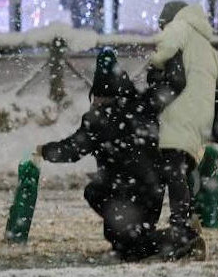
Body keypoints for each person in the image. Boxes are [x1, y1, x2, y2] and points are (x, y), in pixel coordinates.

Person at [36, 48, 163, 261]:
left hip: (123, 197)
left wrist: (45, 150)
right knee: (130, 236)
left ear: (100, 94)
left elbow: (73, 149)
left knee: (95, 192)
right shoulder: (142, 109)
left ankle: (158, 240)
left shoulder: (100, 120)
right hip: (152, 194)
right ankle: (141, 236)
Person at [147, 1, 218, 259]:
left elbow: (164, 51)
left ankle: (180, 228)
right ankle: (188, 222)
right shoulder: (206, 44)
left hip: (180, 112)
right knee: (182, 169)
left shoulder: (180, 27)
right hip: (198, 117)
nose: (161, 29)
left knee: (172, 170)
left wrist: (155, 63)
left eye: (162, 24)